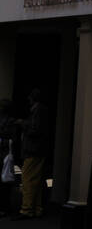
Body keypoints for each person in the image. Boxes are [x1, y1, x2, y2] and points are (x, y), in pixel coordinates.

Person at [18, 89, 50, 218]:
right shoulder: (43, 111)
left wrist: (23, 124)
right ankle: (37, 208)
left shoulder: (36, 111)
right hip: (39, 150)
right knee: (36, 180)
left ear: (33, 98)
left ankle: (27, 209)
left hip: (32, 149)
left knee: (27, 179)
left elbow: (34, 129)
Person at [0, 99, 18, 217]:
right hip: (5, 153)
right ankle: (4, 207)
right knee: (5, 182)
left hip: (4, 153)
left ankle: (4, 207)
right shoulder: (12, 122)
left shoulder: (10, 122)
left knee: (4, 183)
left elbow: (13, 140)